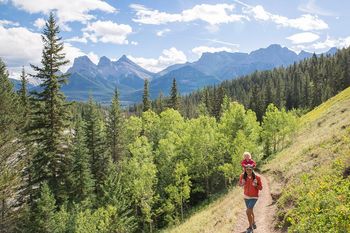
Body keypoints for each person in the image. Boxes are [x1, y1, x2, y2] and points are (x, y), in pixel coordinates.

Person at [239, 164, 262, 233]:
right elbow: (239, 184)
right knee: (250, 211)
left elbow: (261, 188)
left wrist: (256, 185)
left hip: (254, 197)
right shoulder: (243, 176)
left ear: (252, 170)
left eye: (250, 169)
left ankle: (250, 227)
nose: (248, 171)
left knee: (248, 211)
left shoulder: (257, 177)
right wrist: (241, 184)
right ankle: (253, 222)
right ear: (245, 170)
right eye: (247, 169)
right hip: (246, 197)